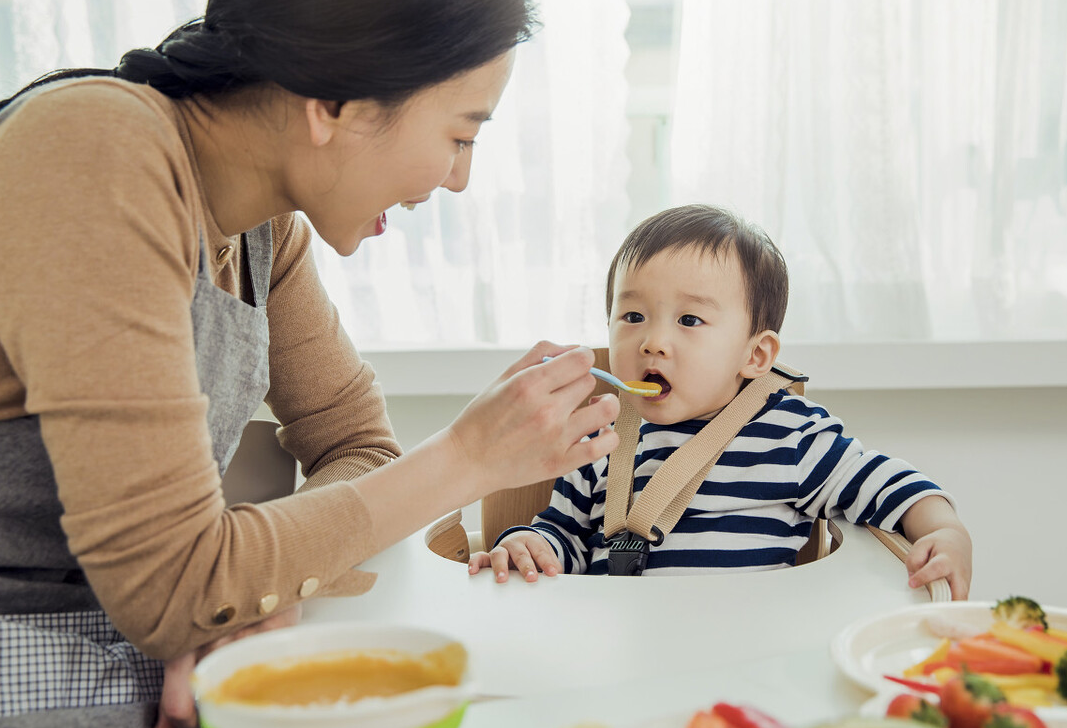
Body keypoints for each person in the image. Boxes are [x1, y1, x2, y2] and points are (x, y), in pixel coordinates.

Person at [0, 2, 622, 726]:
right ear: (334, 104)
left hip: (133, 641)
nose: (458, 179)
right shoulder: (93, 148)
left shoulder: (263, 231)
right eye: (460, 135)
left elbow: (360, 446)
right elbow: (176, 589)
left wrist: (258, 578)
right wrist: (468, 456)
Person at [469, 204, 972, 597]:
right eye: (633, 317)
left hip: (744, 660)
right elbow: (566, 538)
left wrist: (945, 532)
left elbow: (890, 484)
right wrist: (532, 547)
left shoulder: (791, 436)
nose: (653, 342)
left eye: (689, 321)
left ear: (755, 354)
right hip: (619, 658)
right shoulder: (597, 439)